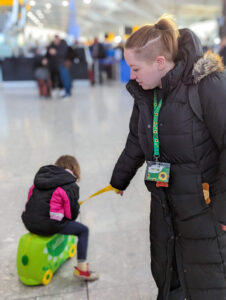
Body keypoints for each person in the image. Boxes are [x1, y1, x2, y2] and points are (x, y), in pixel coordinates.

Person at [110, 15, 226, 300]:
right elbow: (138, 138)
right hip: (165, 206)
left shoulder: (207, 85)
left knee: (208, 280)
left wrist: (223, 209)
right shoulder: (147, 93)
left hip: (206, 210)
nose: (132, 76)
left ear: (159, 62)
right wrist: (119, 178)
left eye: (136, 68)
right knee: (169, 275)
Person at [21, 155, 99, 281]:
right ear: (75, 170)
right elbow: (71, 215)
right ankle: (82, 269)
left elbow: (30, 199)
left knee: (54, 219)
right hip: (48, 226)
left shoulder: (40, 179)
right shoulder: (70, 185)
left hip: (29, 222)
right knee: (83, 230)